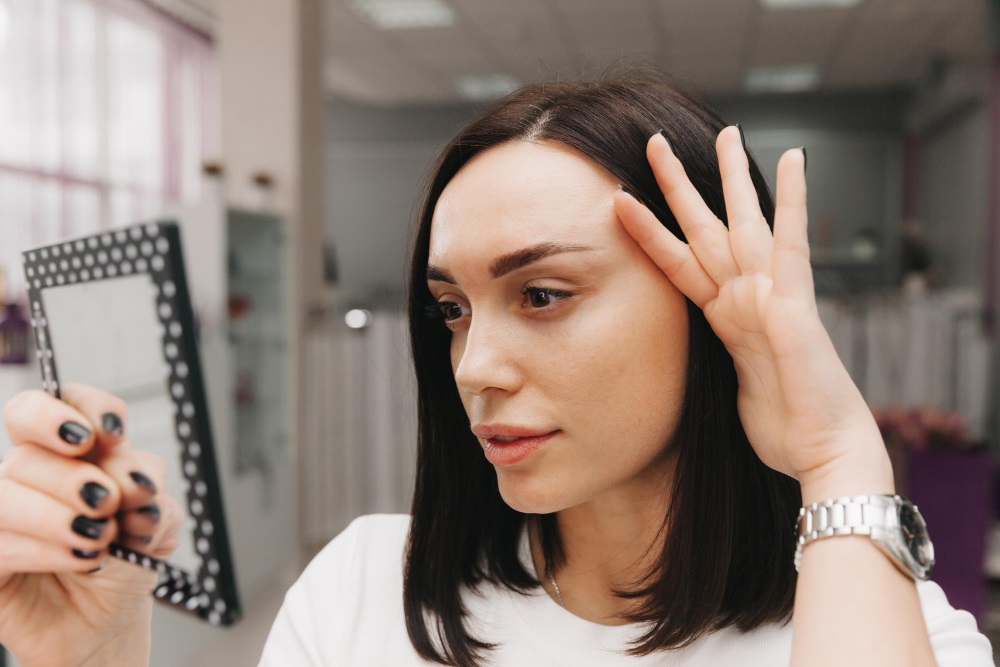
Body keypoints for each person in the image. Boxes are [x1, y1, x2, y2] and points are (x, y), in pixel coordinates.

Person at [0, 66, 994, 666]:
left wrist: (838, 455)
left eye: (543, 295)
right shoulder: (359, 594)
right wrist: (86, 655)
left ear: (706, 309)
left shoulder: (887, 629)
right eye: (450, 309)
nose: (474, 364)